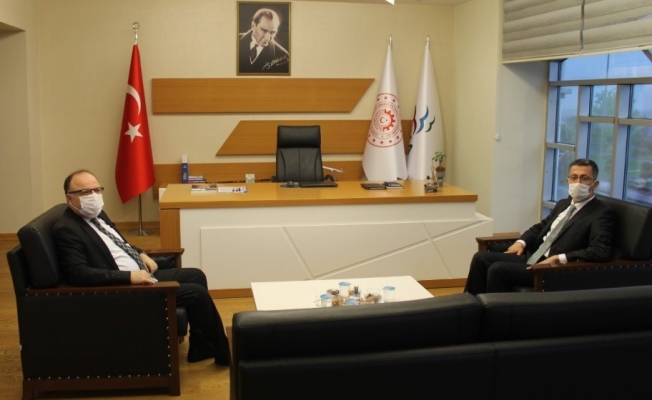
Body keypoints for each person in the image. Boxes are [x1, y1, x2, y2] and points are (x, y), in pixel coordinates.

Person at [53, 170, 230, 366]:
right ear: (69, 198)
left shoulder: (98, 215)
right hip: (124, 290)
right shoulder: (67, 229)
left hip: (141, 274)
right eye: (85, 192)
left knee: (196, 275)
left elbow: (120, 243)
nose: (93, 196)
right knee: (196, 294)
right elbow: (78, 273)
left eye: (97, 190)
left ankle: (202, 346)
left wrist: (142, 253)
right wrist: (129, 277)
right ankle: (223, 353)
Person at [464, 158, 616, 294]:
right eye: (574, 177)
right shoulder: (564, 204)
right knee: (481, 258)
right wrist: (521, 242)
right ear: (568, 180)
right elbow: (540, 227)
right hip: (534, 256)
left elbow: (600, 250)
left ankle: (494, 313)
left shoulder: (601, 213)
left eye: (584, 178)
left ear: (595, 184)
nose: (578, 182)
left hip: (553, 268)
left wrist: (559, 258)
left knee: (498, 269)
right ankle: (470, 305)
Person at [238, 8, 289, 73]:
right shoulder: (233, 41)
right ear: (253, 26)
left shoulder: (284, 57)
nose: (267, 38)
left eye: (272, 32)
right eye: (264, 30)